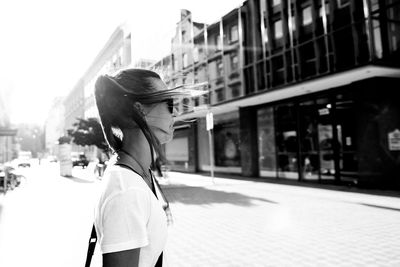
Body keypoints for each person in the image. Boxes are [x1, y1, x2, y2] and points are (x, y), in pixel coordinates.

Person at [93, 69, 188, 267]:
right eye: (169, 104)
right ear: (140, 110)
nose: (176, 112)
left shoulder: (137, 174)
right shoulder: (127, 191)